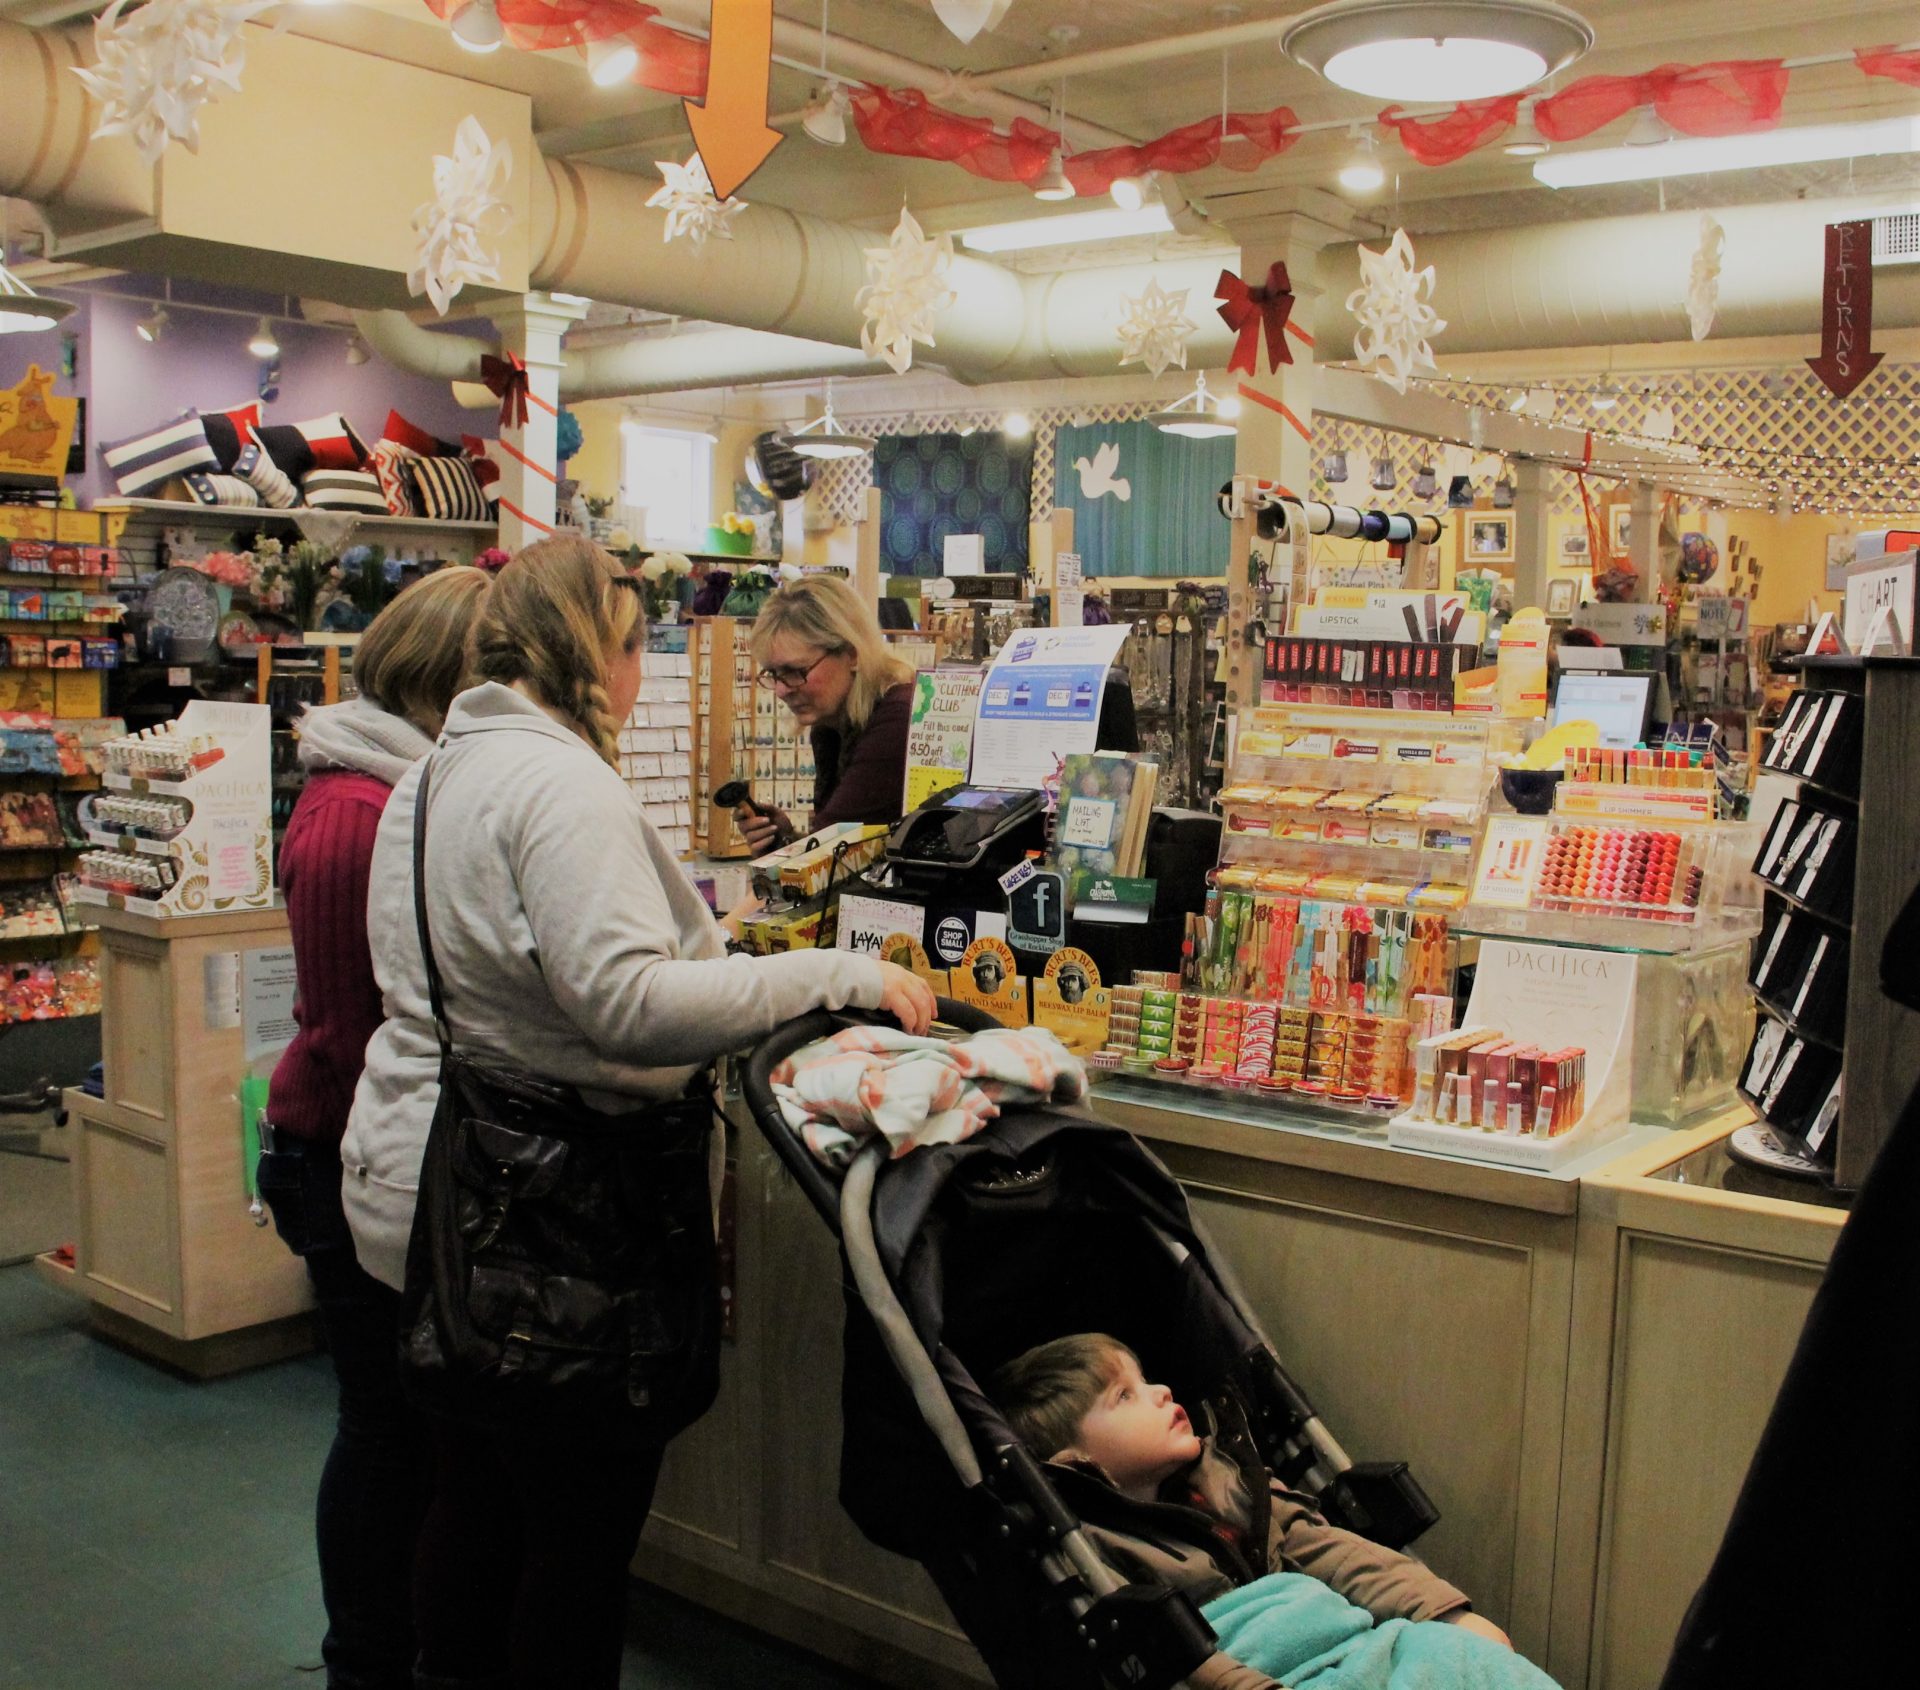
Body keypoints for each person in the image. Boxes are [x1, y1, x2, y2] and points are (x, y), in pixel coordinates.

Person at [339, 536, 935, 1689]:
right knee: (572, 1537)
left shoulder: (431, 774)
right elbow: (628, 1003)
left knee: (473, 1504)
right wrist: (835, 977)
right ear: (584, 650)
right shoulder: (556, 784)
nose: (641, 676)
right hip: (553, 1213)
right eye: (632, 648)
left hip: (441, 1182)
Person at [257, 565, 492, 1690]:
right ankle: (365, 1655)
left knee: (397, 1430)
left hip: (351, 1149)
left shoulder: (378, 785)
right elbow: (361, 1034)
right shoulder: (365, 809)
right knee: (386, 1430)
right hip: (346, 1157)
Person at [991, 1334, 1517, 1689]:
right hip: (1266, 1674)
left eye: (1147, 1379)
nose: (1162, 1392)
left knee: (1471, 1659)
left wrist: (1443, 1611)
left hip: (1359, 1648)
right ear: (1075, 1461)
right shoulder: (1099, 1551)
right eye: (1125, 1395)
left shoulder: (1234, 1487)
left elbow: (1338, 1555)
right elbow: (1186, 1664)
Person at [733, 574, 916, 853]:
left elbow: (828, 858)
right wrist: (783, 840)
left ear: (852, 655)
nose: (781, 690)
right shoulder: (831, 725)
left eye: (796, 671)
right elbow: (837, 853)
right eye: (773, 674)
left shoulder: (897, 721)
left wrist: (790, 855)